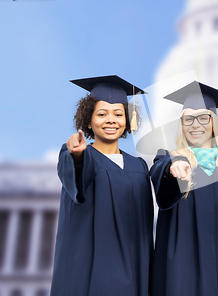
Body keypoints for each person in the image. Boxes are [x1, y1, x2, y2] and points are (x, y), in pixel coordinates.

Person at [148, 81, 218, 296]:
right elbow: (159, 176)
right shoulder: (168, 159)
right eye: (188, 119)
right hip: (180, 275)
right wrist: (175, 165)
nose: (195, 124)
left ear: (215, 122)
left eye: (203, 118)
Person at [50, 76, 153, 296]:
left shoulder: (139, 166)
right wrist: (76, 156)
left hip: (135, 270)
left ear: (127, 120)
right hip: (92, 271)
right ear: (88, 121)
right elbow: (76, 175)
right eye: (102, 114)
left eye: (118, 114)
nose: (111, 120)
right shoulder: (82, 155)